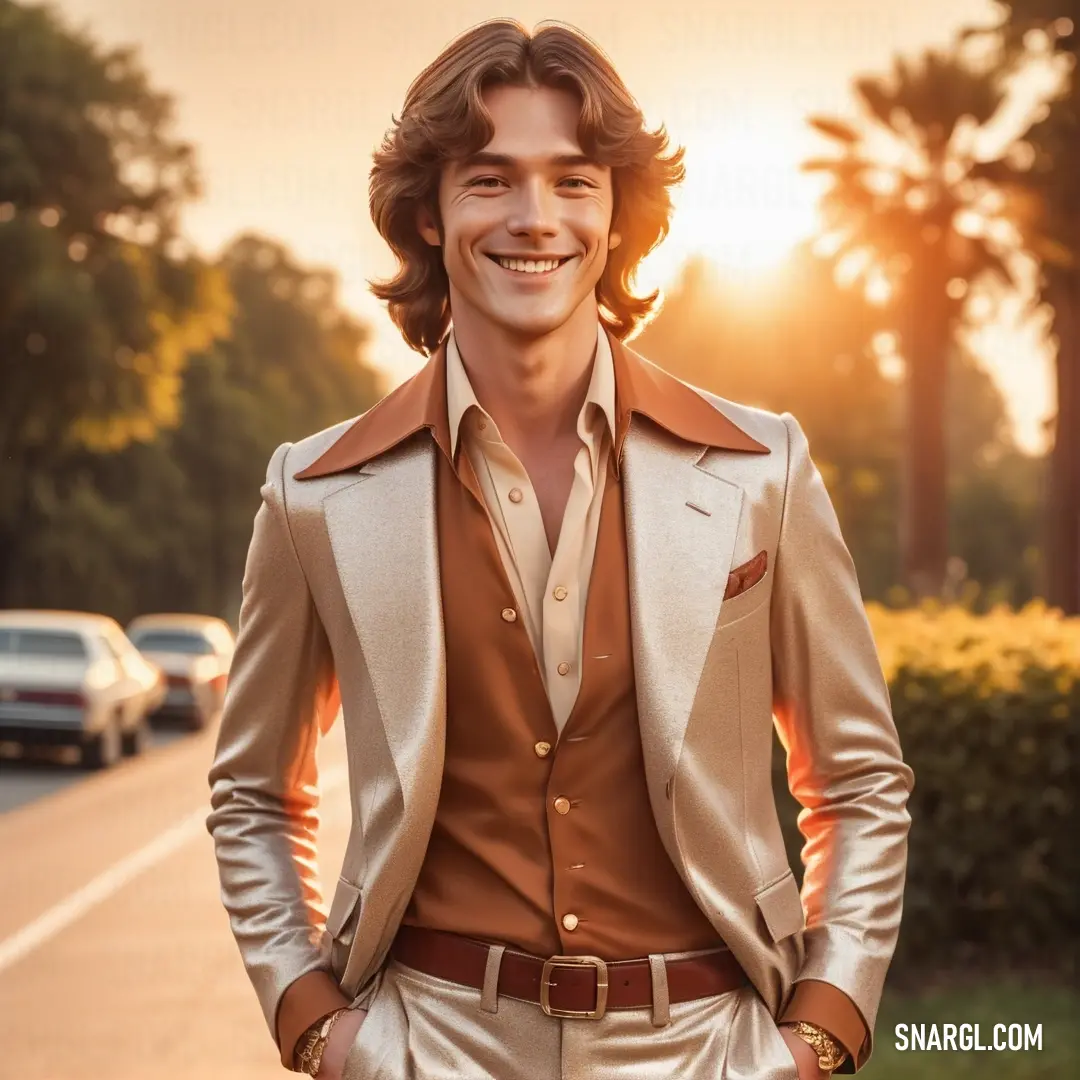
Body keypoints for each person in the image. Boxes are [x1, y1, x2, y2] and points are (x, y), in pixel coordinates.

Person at [207, 18, 913, 1080]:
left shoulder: (762, 468)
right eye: (490, 180)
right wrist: (315, 1021)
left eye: (573, 181)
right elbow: (255, 792)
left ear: (618, 213)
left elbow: (857, 782)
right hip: (428, 1045)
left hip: (710, 1046)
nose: (535, 220)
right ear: (431, 214)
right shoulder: (314, 496)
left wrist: (818, 1029)